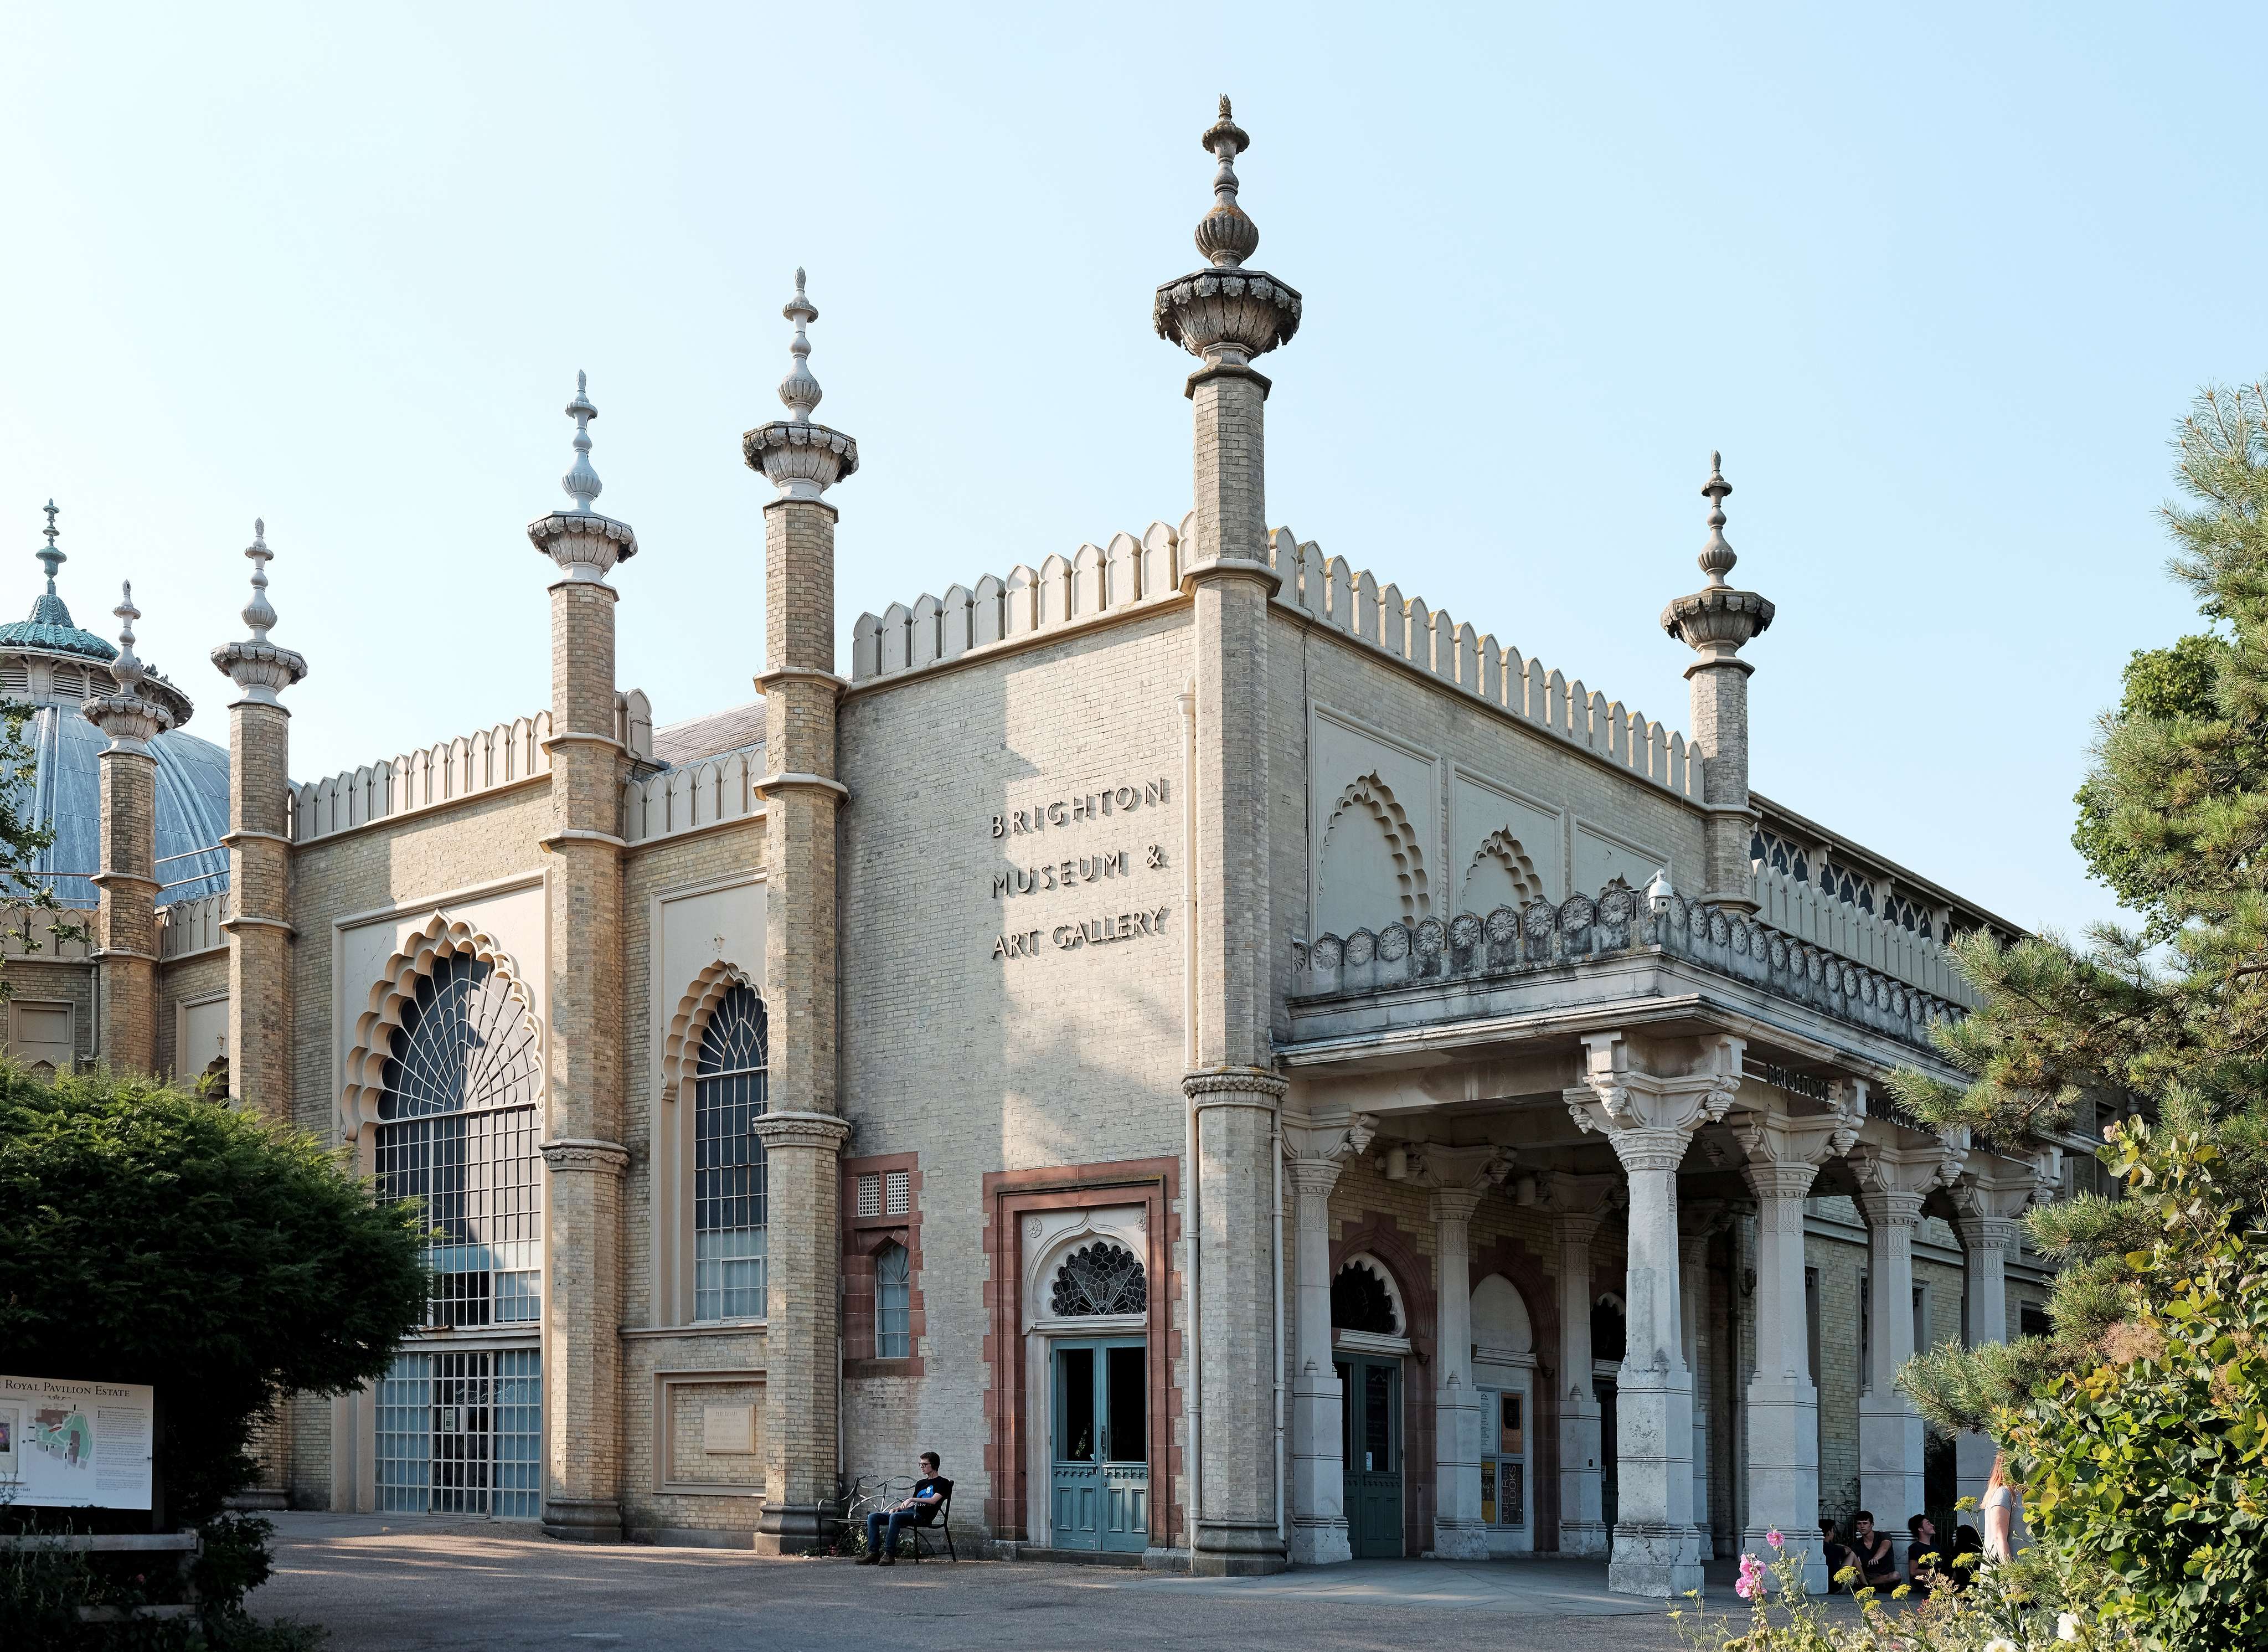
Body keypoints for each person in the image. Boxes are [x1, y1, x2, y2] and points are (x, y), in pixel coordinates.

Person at [858, 1451, 949, 1566]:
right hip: (909, 1513)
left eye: (925, 1464)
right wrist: (899, 1508)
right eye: (920, 1464)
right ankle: (873, 1554)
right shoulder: (921, 1483)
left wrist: (912, 1499)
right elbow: (911, 1505)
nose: (922, 1467)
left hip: (922, 1516)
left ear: (934, 1465)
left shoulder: (943, 1483)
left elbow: (933, 1500)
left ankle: (889, 1555)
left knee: (895, 1517)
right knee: (873, 1517)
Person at [1981, 1450, 2025, 1562]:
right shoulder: (2003, 1494)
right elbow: (1999, 1538)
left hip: (2026, 1568)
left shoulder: (2019, 1494)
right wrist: (2011, 1573)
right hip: (2009, 1572)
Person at [1850, 1511, 1899, 1591]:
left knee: (1896, 1576)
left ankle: (1869, 1584)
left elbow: (1885, 1547)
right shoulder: (1857, 1544)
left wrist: (1876, 1558)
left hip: (1886, 1577)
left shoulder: (1883, 1536)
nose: (1862, 1526)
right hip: (1868, 1575)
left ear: (1872, 1525)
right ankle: (1866, 1584)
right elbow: (1854, 1559)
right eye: (1859, 1524)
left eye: (1865, 1523)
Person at [1904, 1514, 1939, 1598]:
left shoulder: (1936, 1546)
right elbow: (1913, 1572)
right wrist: (1933, 1571)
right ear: (1920, 1529)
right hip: (1926, 1582)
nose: (1932, 1525)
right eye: (1928, 1523)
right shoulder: (1915, 1548)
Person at [1819, 1516, 1853, 1592]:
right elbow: (1849, 1550)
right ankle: (1864, 1583)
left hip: (1824, 1585)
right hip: (1836, 1587)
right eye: (1833, 1531)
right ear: (1829, 1532)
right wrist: (1840, 1545)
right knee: (1852, 1554)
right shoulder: (1833, 1548)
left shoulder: (1818, 1547)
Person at [1949, 1522, 1984, 1588]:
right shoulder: (1981, 1554)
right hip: (1980, 1587)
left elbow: (1952, 1575)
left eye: (1956, 1537)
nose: (1955, 1539)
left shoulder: (1957, 1555)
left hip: (1962, 1589)